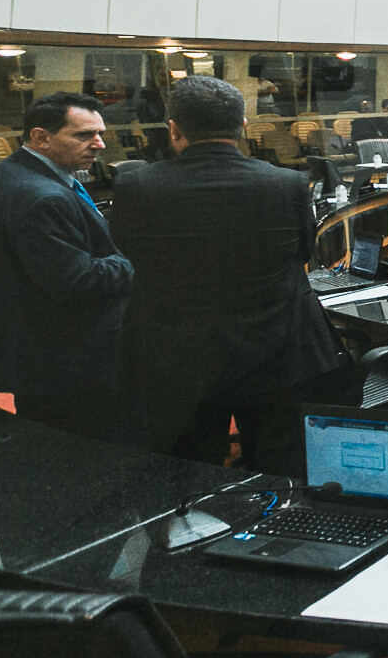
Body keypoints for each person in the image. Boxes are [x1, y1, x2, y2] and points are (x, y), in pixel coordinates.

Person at [111, 77, 350, 472]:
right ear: (242, 125)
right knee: (278, 472)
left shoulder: (136, 186)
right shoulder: (286, 183)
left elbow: (125, 255)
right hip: (276, 351)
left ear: (174, 128)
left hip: (179, 358)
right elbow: (304, 254)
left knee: (188, 476)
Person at [0, 92, 136, 442]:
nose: (99, 144)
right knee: (80, 458)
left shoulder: (15, 172)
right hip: (61, 364)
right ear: (41, 137)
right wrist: (136, 259)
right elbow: (78, 281)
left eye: (100, 133)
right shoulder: (42, 196)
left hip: (41, 357)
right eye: (84, 135)